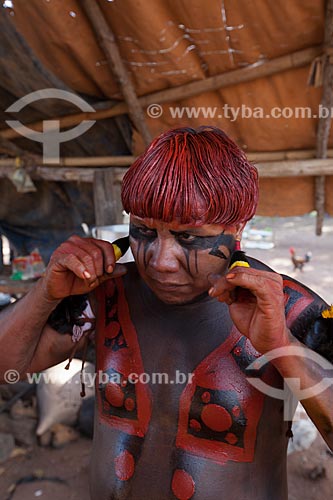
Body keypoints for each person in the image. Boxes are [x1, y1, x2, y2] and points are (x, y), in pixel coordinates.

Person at [0, 126, 332, 500]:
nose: (160, 261)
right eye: (143, 231)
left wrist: (283, 347)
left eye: (188, 237)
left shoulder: (288, 307)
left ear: (237, 226)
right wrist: (44, 293)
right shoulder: (106, 296)